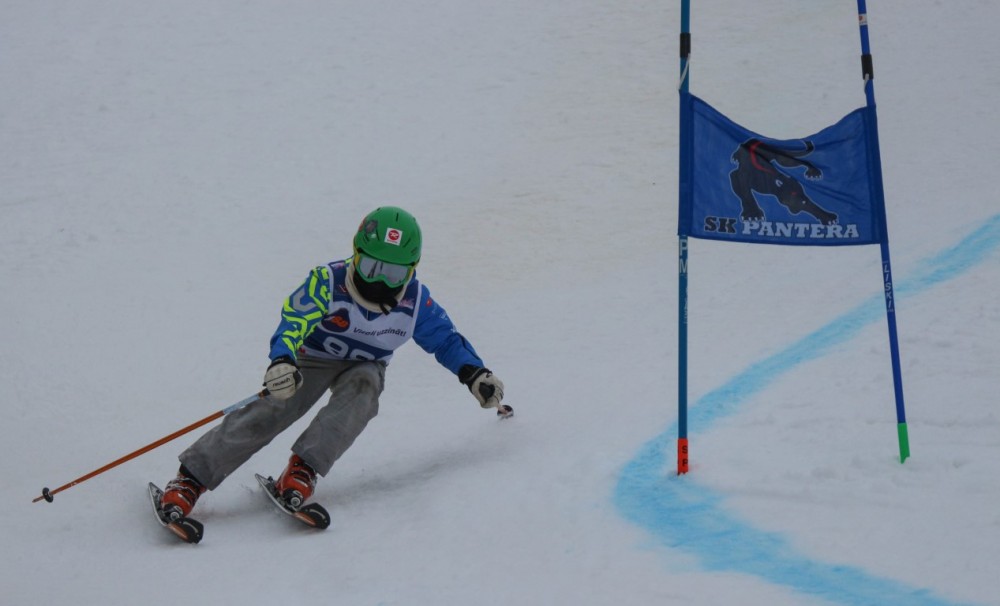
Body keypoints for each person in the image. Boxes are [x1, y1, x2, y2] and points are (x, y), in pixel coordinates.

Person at [159, 206, 508, 520]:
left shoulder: (415, 302)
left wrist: (474, 373)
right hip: (313, 358)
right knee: (276, 407)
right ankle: (192, 477)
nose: (379, 281)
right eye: (372, 267)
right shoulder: (328, 281)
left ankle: (302, 469)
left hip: (365, 365)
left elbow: (445, 340)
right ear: (356, 254)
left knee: (363, 392)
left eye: (394, 274)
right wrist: (282, 359)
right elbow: (294, 319)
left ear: (411, 271)